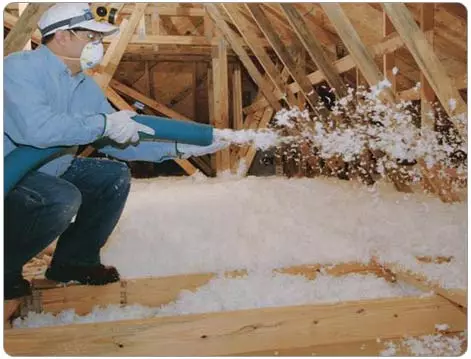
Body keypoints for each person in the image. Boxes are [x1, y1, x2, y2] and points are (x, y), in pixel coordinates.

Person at [4, 3, 227, 300]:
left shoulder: (84, 86)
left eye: (99, 39)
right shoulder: (18, 68)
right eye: (90, 37)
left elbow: (117, 138)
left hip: (51, 167)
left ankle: (74, 262)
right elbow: (37, 131)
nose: (97, 46)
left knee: (112, 175)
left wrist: (175, 148)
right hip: (11, 172)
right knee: (61, 197)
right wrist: (101, 124)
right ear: (62, 37)